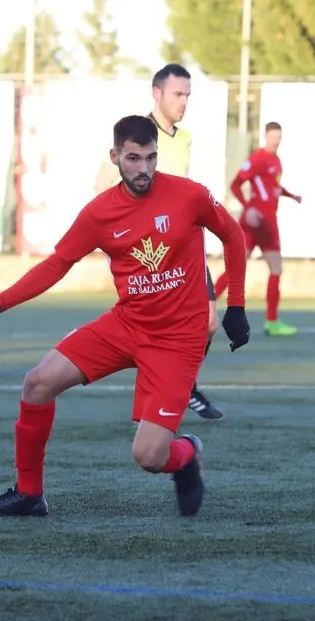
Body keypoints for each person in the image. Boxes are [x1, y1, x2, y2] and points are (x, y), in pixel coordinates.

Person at [0, 115, 250, 519]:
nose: (144, 168)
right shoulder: (99, 213)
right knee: (38, 383)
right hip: (126, 325)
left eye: (150, 158)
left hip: (178, 340)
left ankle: (187, 453)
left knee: (148, 456)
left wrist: (236, 307)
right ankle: (29, 494)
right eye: (133, 158)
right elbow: (58, 263)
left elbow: (234, 236)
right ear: (115, 157)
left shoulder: (189, 196)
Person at [94, 63, 224, 420]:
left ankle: (183, 388)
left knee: (210, 322)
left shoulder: (184, 138)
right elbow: (103, 189)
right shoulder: (137, 137)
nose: (183, 102)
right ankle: (154, 404)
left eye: (187, 95)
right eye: (177, 94)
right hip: (147, 255)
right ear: (157, 94)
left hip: (184, 250)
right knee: (151, 328)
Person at [214, 122, 302, 337]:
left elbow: (274, 187)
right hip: (253, 222)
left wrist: (292, 196)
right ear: (265, 136)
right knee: (236, 268)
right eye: (273, 136)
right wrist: (248, 208)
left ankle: (272, 322)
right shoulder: (257, 158)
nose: (276, 141)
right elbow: (236, 184)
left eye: (279, 137)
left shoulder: (276, 160)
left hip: (269, 223)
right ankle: (200, 310)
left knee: (276, 270)